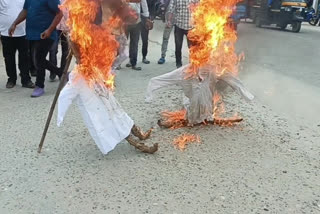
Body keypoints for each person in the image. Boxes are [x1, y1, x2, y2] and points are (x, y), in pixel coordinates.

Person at [9, 0, 63, 97]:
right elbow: (25, 11)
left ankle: (39, 86)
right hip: (32, 34)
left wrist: (49, 30)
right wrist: (15, 23)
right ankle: (61, 73)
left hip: (45, 34)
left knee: (38, 59)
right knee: (37, 59)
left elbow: (60, 13)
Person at [0, 0, 34, 89]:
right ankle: (11, 79)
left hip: (23, 33)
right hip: (5, 33)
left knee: (24, 57)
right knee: (8, 58)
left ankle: (26, 80)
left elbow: (29, 11)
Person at [167, 0, 198, 68]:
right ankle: (178, 64)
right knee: (178, 46)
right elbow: (171, 10)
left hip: (191, 27)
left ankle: (192, 65)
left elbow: (200, 9)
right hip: (179, 26)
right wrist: (169, 21)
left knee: (192, 48)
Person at [126, 0, 150, 71]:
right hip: (124, 21)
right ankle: (118, 63)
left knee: (135, 43)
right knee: (123, 43)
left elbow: (144, 4)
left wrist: (146, 18)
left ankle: (133, 63)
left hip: (136, 22)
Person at [48, 0, 69, 82]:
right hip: (54, 27)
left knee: (66, 52)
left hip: (67, 27)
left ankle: (62, 72)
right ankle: (53, 71)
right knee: (53, 50)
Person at [140, 0, 156, 64]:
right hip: (135, 17)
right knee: (133, 41)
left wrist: (151, 18)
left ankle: (144, 57)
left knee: (145, 40)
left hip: (146, 19)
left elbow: (153, 8)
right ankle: (132, 59)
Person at [158, 0, 173, 64]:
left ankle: (180, 58)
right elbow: (164, 5)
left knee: (180, 41)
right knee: (165, 38)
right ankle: (162, 56)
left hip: (181, 21)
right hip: (169, 20)